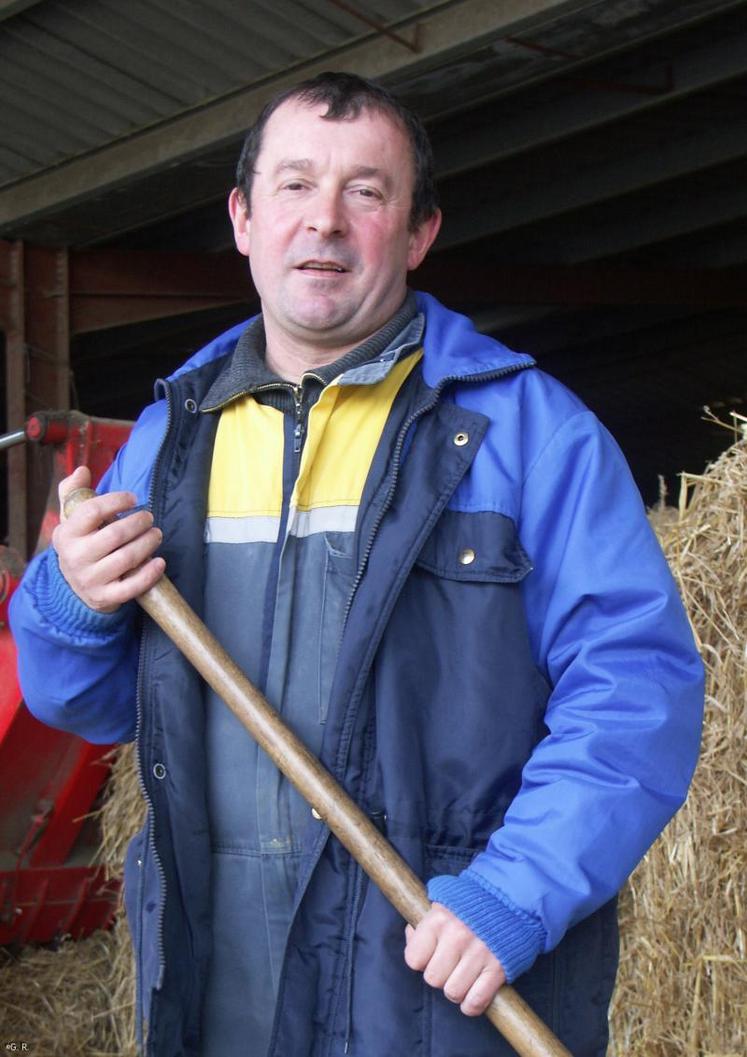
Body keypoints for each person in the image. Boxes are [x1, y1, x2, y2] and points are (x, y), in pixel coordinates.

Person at [10, 72, 703, 1057]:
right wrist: (70, 604)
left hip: (429, 989)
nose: (324, 222)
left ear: (417, 233)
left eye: (365, 193)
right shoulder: (172, 440)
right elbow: (86, 702)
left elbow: (638, 689)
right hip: (220, 988)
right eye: (294, 187)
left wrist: (520, 887)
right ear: (243, 220)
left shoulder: (526, 434)